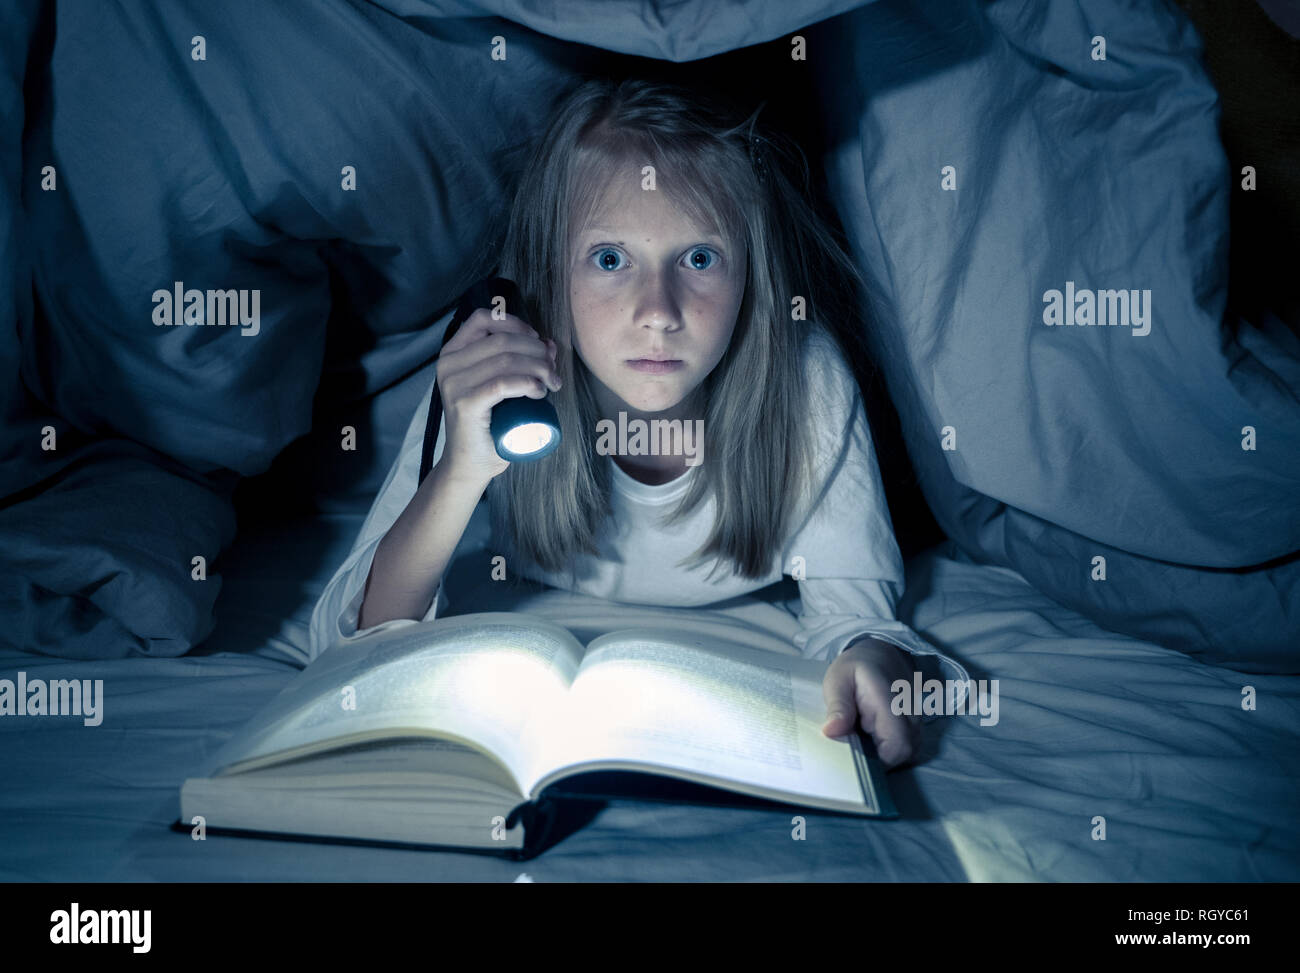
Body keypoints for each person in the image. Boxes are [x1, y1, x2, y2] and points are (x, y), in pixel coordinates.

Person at [308, 78, 970, 768]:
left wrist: (872, 663)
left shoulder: (807, 383)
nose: (658, 309)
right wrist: (462, 466)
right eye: (610, 259)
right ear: (548, 273)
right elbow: (356, 634)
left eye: (700, 258)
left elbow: (857, 618)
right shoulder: (495, 375)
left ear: (754, 276)